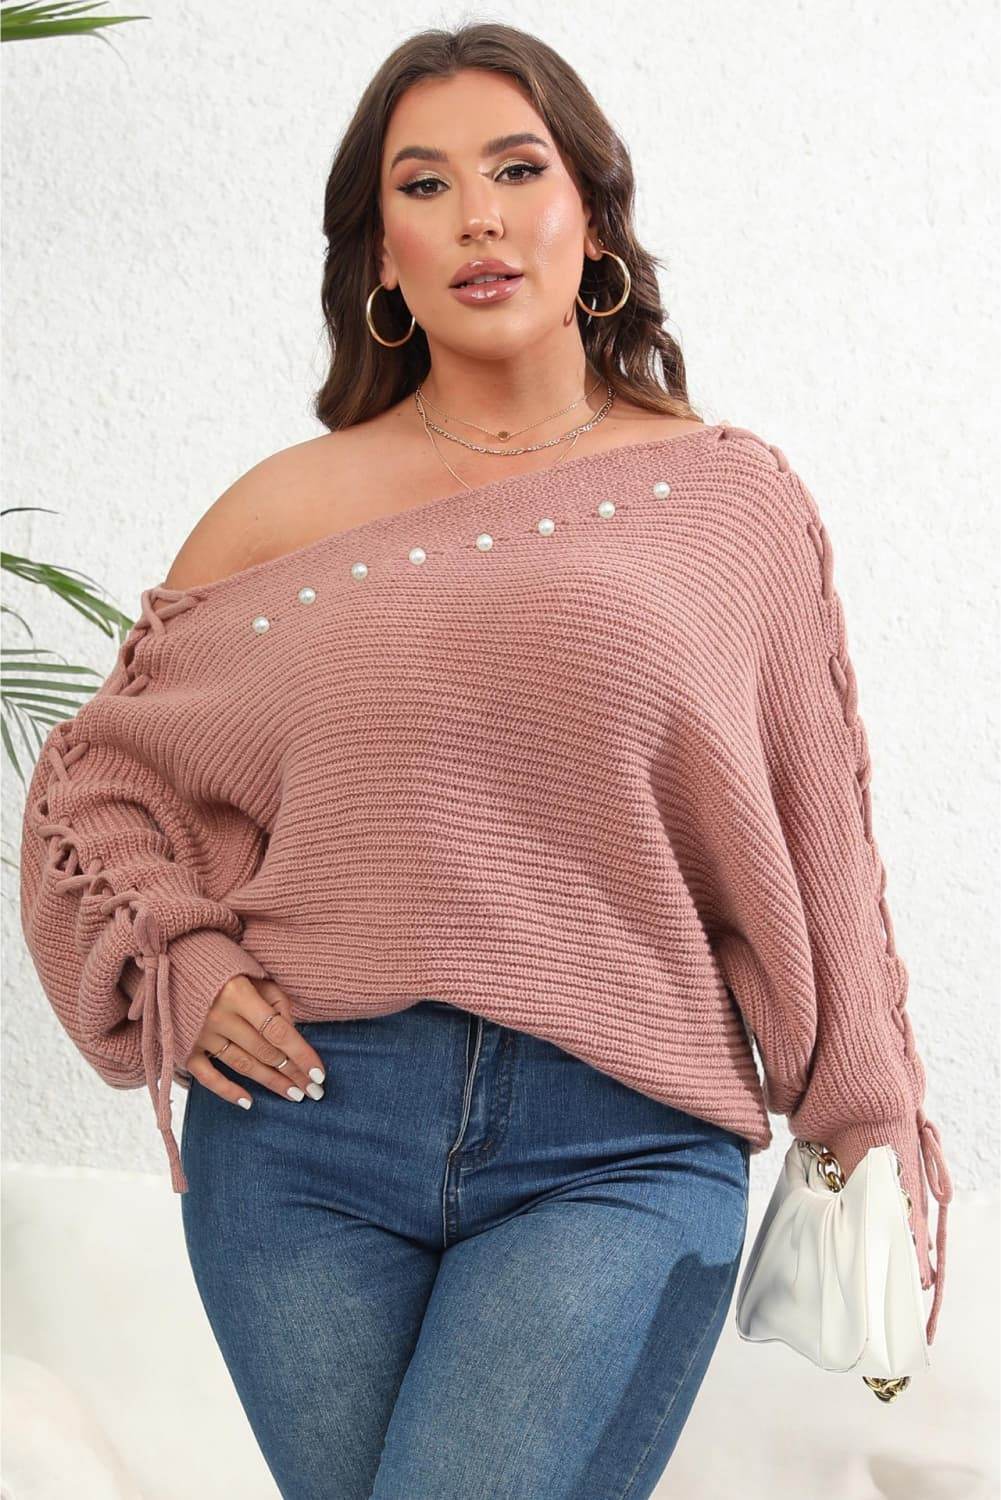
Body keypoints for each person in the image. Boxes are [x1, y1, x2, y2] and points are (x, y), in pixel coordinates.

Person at [17, 22, 952, 1500]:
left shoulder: (728, 504)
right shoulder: (282, 514)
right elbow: (96, 783)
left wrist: (865, 1124)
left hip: (620, 1143)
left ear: (594, 219)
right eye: (425, 184)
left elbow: (817, 831)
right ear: (382, 256)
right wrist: (177, 955)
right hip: (304, 1138)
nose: (478, 217)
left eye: (517, 170)